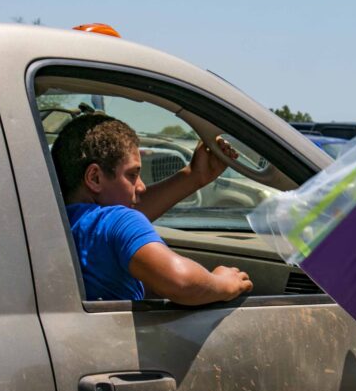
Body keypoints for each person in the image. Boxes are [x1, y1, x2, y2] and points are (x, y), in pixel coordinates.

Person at [51, 113, 252, 305]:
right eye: (132, 175)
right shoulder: (116, 220)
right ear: (94, 178)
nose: (141, 186)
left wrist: (194, 176)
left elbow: (125, 215)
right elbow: (181, 281)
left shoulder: (55, 223)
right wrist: (223, 283)